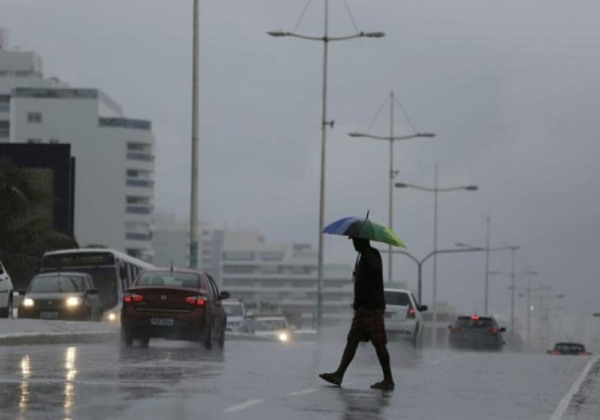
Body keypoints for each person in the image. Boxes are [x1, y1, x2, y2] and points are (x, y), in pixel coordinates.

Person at [319, 236, 395, 391]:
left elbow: (375, 267)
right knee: (352, 340)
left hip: (372, 307)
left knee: (379, 344)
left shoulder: (372, 254)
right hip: (362, 308)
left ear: (362, 241)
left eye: (355, 241)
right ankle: (339, 374)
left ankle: (388, 379)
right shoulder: (362, 257)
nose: (353, 244)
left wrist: (366, 252)